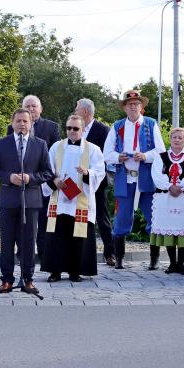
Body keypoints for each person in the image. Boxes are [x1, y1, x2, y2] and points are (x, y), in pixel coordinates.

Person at [0, 108, 54, 294]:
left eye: (25, 121)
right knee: (7, 242)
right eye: (18, 121)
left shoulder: (40, 144)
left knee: (28, 242)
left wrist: (30, 178)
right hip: (8, 200)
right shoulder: (1, 144)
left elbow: (47, 172)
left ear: (31, 123)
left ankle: (28, 279)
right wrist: (9, 177)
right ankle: (7, 280)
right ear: (12, 123)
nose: (22, 124)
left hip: (31, 201)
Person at [103, 89, 167, 269]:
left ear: (141, 106)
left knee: (152, 217)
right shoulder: (117, 126)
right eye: (130, 104)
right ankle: (119, 259)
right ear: (124, 107)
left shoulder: (150, 124)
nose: (133, 106)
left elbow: (161, 151)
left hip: (146, 178)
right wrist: (118, 157)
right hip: (125, 179)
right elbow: (106, 153)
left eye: (136, 104)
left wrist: (145, 156)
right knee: (121, 218)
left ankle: (154, 260)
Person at [41, 114, 105, 282]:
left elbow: (100, 172)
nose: (71, 131)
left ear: (83, 130)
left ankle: (75, 271)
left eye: (75, 128)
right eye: (68, 128)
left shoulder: (93, 149)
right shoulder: (56, 147)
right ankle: (55, 271)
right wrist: (54, 180)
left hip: (81, 201)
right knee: (57, 237)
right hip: (59, 200)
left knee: (78, 237)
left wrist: (87, 173)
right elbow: (47, 169)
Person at [7, 95, 61, 259]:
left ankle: (43, 255)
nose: (31, 109)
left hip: (44, 182)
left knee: (44, 221)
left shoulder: (51, 127)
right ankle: (22, 254)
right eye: (27, 106)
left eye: (34, 106)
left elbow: (57, 154)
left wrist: (52, 178)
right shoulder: (12, 128)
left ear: (40, 109)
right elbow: (10, 154)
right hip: (22, 183)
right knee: (22, 221)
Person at [150, 128, 184, 275]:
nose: (177, 140)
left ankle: (181, 264)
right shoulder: (161, 157)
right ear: (170, 139)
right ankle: (172, 263)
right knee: (168, 229)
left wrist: (181, 186)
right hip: (165, 198)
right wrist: (169, 186)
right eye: (174, 137)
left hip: (183, 199)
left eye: (180, 138)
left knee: (182, 229)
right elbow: (156, 175)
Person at [75, 98, 115, 266]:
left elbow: (106, 156)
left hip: (95, 181)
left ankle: (110, 253)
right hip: (77, 180)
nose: (75, 112)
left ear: (85, 112)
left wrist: (91, 173)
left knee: (101, 217)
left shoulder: (103, 130)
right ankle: (78, 253)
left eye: (77, 109)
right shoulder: (76, 128)